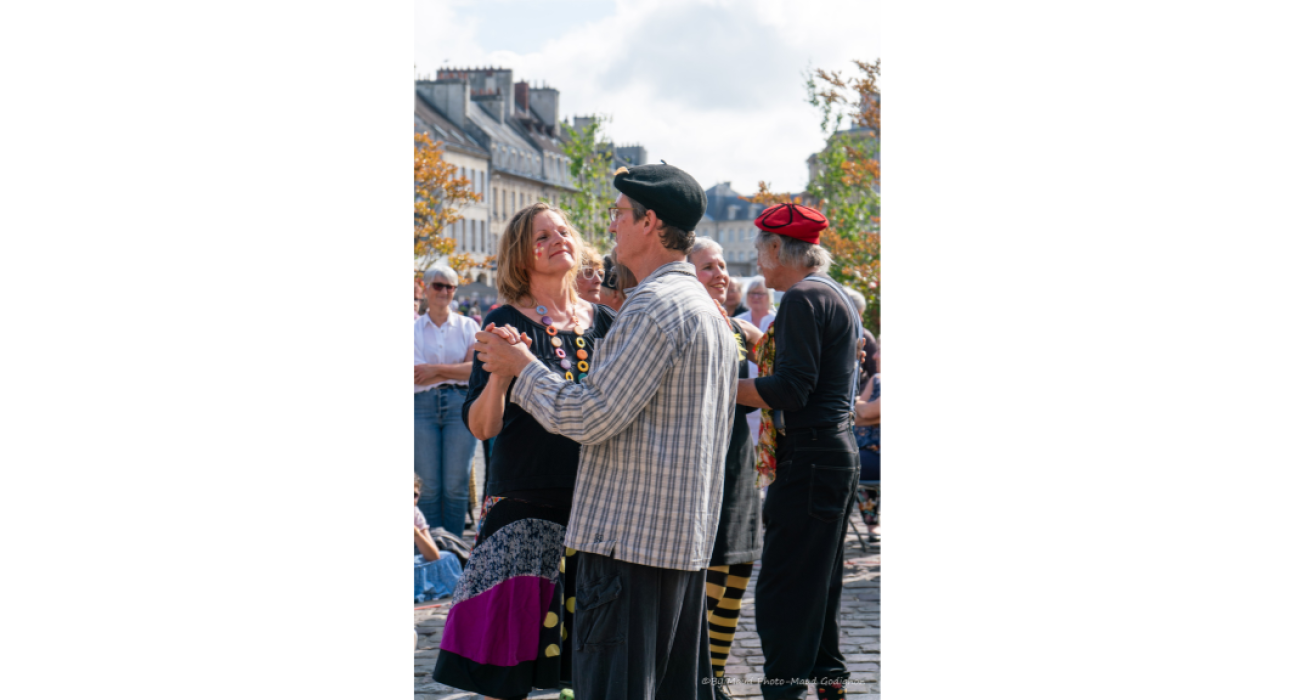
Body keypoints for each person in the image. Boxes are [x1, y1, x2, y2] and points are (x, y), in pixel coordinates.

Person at [473, 163, 736, 700]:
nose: (609, 226)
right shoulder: (701, 308)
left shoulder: (652, 308)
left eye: (618, 214)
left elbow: (590, 418)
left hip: (631, 542)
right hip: (672, 537)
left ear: (650, 222)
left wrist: (524, 368)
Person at [433, 203, 617, 700]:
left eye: (563, 230)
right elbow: (481, 425)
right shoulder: (504, 323)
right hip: (524, 505)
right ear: (521, 256)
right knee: (503, 660)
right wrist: (498, 375)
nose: (558, 239)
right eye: (542, 236)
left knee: (588, 659)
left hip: (594, 508)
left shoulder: (605, 322)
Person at [735, 203, 862, 700]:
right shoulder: (830, 294)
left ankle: (783, 692)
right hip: (830, 452)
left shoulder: (804, 299)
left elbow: (791, 387)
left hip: (811, 456)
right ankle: (830, 685)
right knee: (817, 586)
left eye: (759, 250)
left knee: (785, 590)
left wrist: (722, 386)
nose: (758, 264)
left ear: (774, 248)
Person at [687, 237, 761, 696]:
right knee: (702, 577)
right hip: (694, 470)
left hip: (735, 464)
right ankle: (699, 680)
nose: (721, 275)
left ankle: (713, 676)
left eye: (723, 266)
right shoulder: (682, 322)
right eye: (708, 267)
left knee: (736, 564)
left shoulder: (735, 328)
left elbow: (771, 356)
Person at [415, 265, 481, 535]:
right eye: (438, 286)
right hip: (421, 407)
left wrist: (435, 371)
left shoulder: (469, 325)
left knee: (456, 485)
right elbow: (415, 374)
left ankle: (452, 552)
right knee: (428, 487)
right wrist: (456, 370)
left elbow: (475, 370)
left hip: (459, 405)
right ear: (426, 288)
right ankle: (431, 555)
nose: (444, 291)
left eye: (450, 287)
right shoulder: (412, 328)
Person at [736, 277, 777, 446]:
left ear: (768, 296)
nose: (756, 297)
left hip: (769, 385)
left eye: (760, 293)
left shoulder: (777, 320)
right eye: (752, 293)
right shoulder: (740, 320)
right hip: (744, 385)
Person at [415, 473, 465, 603]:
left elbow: (433, 556)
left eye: (414, 495)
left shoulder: (414, 513)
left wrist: (417, 534)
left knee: (449, 558)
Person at [854, 337, 881, 540]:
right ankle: (872, 526)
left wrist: (868, 413)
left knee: (844, 462)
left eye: (880, 351)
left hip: (876, 454)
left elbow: (868, 410)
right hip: (868, 449)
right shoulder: (876, 380)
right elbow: (858, 413)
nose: (874, 356)